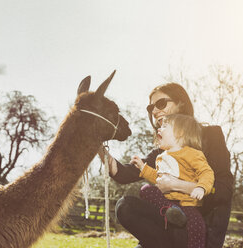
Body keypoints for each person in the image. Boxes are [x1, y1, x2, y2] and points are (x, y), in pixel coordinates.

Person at [98, 83, 234, 248]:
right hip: (168, 230)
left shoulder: (211, 136)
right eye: (150, 108)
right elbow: (124, 173)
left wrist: (180, 186)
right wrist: (96, 143)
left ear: (181, 103)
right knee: (125, 206)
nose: (154, 111)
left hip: (199, 230)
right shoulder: (162, 153)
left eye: (160, 104)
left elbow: (224, 191)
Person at [131, 114, 214, 248]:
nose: (159, 129)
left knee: (197, 226)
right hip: (168, 202)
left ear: (179, 133)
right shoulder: (161, 157)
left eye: (164, 126)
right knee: (145, 189)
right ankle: (171, 210)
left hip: (187, 204)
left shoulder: (192, 154)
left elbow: (207, 173)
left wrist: (201, 187)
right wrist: (143, 167)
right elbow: (159, 179)